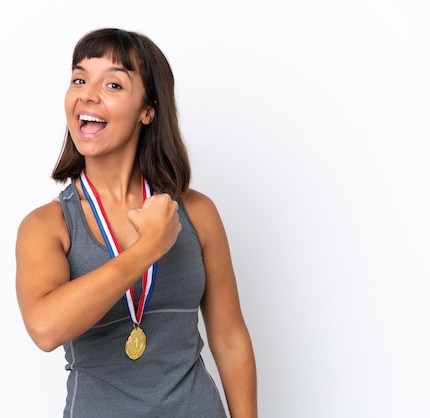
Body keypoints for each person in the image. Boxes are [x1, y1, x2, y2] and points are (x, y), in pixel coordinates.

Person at [15, 27, 257, 417]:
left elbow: (229, 338)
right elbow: (45, 328)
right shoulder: (48, 225)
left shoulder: (198, 212)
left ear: (148, 110)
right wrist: (147, 249)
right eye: (79, 79)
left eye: (112, 84)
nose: (87, 94)